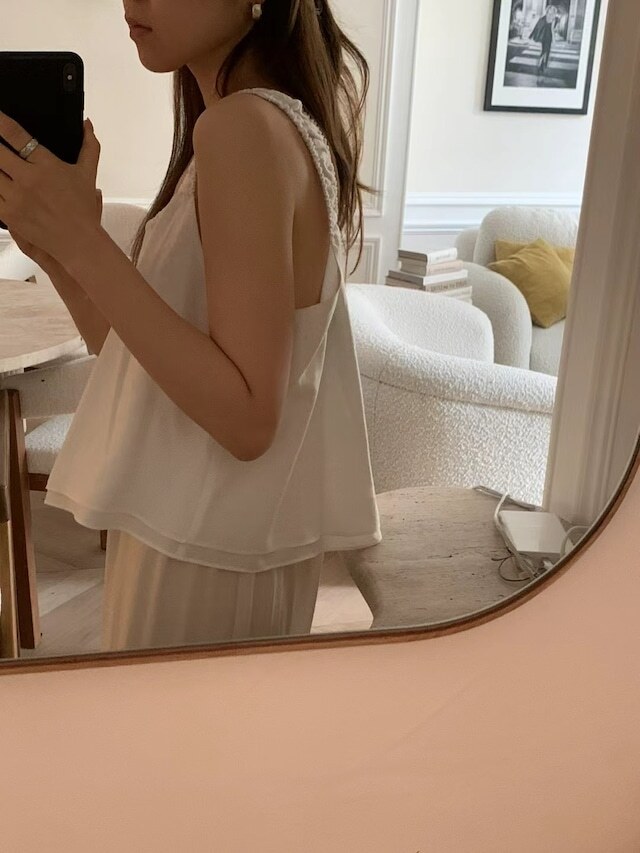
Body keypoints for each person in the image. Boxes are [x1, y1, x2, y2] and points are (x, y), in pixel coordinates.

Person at [14, 0, 384, 650]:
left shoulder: (243, 129)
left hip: (204, 552)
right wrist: (58, 250)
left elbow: (247, 418)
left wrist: (83, 243)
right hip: (210, 539)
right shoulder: (253, 124)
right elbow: (138, 359)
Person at [530, 5, 558, 84]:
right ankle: (542, 64)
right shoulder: (553, 19)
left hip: (544, 37)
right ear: (549, 10)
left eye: (552, 10)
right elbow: (552, 30)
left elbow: (538, 26)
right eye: (551, 10)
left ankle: (541, 64)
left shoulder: (544, 17)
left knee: (544, 50)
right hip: (548, 37)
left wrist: (533, 34)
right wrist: (554, 40)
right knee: (546, 51)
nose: (551, 11)